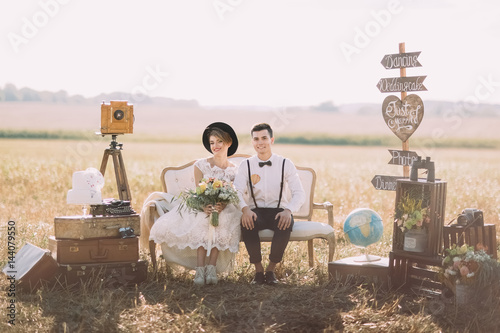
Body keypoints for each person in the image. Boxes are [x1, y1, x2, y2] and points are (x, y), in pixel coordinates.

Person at [149, 122, 242, 285]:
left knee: (223, 219)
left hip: (224, 207)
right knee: (203, 219)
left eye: (219, 141)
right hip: (202, 204)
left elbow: (233, 193)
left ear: (229, 142)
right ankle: (200, 268)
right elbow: (199, 190)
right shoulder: (201, 165)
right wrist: (204, 206)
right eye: (212, 142)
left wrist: (223, 205)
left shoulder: (234, 169)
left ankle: (211, 267)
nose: (215, 146)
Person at [234, 123, 305, 285]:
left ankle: (271, 270)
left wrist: (289, 210)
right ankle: (258, 271)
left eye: (264, 138)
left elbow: (299, 193)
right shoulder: (246, 165)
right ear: (252, 142)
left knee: (284, 223)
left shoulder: (285, 163)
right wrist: (244, 209)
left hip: (279, 210)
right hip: (255, 211)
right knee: (247, 222)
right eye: (256, 139)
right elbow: (235, 190)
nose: (260, 142)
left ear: (271, 140)